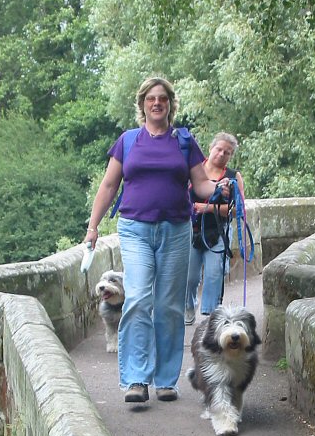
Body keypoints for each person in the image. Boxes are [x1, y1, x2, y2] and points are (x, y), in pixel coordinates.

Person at [84, 77, 230, 403]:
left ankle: (165, 380)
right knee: (137, 299)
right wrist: (93, 227)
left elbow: (201, 185)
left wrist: (220, 190)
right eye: (151, 98)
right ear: (142, 104)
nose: (157, 103)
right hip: (135, 229)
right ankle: (136, 380)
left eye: (163, 98)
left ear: (170, 104)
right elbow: (109, 186)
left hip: (176, 230)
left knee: (168, 306)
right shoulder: (128, 141)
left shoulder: (184, 142)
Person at [185, 132, 245, 325]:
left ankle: (211, 317)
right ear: (211, 148)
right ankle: (188, 307)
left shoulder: (233, 177)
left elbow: (238, 210)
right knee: (189, 276)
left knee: (214, 274)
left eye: (227, 152)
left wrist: (207, 208)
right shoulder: (193, 170)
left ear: (231, 156)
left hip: (218, 233)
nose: (221, 154)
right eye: (219, 149)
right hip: (190, 231)